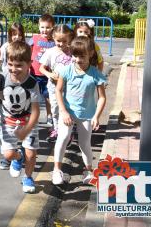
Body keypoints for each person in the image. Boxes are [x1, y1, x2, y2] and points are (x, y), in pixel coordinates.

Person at [0, 41, 41, 194]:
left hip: (28, 123)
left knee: (31, 153)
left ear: (29, 64)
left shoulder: (32, 83)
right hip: (7, 123)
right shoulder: (2, 76)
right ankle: (18, 158)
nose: (14, 69)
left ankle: (28, 177)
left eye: (19, 65)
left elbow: (36, 111)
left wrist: (26, 130)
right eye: (11, 64)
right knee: (8, 154)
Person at [52, 36, 107, 186]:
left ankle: (89, 171)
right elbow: (58, 90)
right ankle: (57, 171)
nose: (77, 59)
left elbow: (102, 97)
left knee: (84, 143)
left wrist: (97, 116)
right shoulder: (66, 70)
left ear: (90, 53)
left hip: (87, 115)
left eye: (81, 56)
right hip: (68, 113)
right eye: (74, 56)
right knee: (63, 137)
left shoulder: (95, 74)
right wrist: (63, 111)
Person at [39, 25, 75, 141]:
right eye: (58, 41)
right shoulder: (50, 52)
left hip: (69, 87)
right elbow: (42, 68)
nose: (61, 44)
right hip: (54, 86)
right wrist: (49, 74)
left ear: (69, 39)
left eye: (65, 41)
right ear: (53, 38)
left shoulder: (72, 52)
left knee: (68, 108)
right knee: (55, 108)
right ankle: (57, 129)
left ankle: (69, 132)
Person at [29, 14, 55, 131]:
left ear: (53, 27)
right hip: (34, 73)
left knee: (48, 97)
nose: (45, 30)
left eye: (48, 27)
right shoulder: (34, 39)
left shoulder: (54, 40)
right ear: (39, 26)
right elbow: (27, 52)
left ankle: (50, 117)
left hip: (48, 75)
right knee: (33, 97)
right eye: (42, 27)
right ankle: (31, 117)